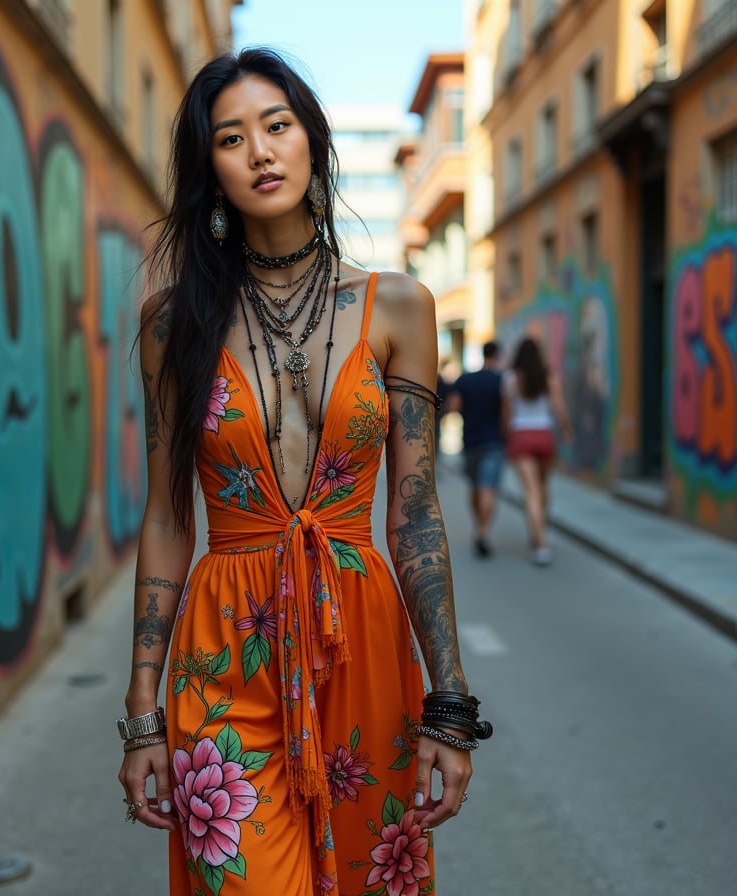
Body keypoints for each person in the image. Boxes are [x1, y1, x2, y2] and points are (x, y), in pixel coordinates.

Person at [116, 48, 491, 895]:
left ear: (312, 144)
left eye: (278, 126)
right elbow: (169, 517)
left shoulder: (399, 305)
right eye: (231, 137)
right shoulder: (171, 325)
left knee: (370, 879)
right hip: (226, 647)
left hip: (360, 639)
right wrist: (143, 713)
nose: (260, 150)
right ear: (209, 170)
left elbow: (416, 514)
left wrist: (451, 706)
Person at [503, 336, 573, 566]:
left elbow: (507, 415)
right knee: (542, 489)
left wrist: (506, 438)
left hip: (521, 435)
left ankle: (540, 543)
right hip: (545, 435)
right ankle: (539, 532)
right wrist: (566, 430)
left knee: (531, 492)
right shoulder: (548, 376)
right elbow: (559, 407)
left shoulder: (511, 378)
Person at [445, 341, 506, 558]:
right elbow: (508, 412)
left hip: (470, 441)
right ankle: (483, 531)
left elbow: (453, 406)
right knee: (487, 487)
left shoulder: (465, 380)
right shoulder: (501, 381)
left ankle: (478, 527)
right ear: (497, 355)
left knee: (475, 486)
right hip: (494, 442)